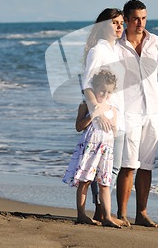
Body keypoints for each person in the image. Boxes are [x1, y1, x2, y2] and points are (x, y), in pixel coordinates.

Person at [116, 0, 158, 227]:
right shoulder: (116, 45)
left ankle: (141, 213)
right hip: (127, 113)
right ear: (126, 18)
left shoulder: (156, 42)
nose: (140, 23)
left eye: (143, 18)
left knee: (146, 166)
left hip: (153, 112)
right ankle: (122, 214)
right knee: (128, 164)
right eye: (135, 19)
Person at [81, 8, 126, 223]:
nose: (119, 27)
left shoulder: (115, 49)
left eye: (121, 23)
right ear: (102, 26)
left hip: (117, 115)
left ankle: (105, 211)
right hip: (102, 120)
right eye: (114, 23)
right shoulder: (98, 50)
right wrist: (98, 114)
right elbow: (87, 85)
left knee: (113, 166)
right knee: (98, 167)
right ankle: (101, 211)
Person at [63, 69, 121, 228]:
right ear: (93, 89)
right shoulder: (85, 106)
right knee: (85, 180)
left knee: (105, 183)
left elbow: (114, 131)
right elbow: (79, 126)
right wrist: (93, 115)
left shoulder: (113, 109)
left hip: (106, 149)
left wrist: (112, 128)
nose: (105, 94)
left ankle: (107, 216)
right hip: (90, 148)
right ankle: (81, 214)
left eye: (109, 92)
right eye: (102, 90)